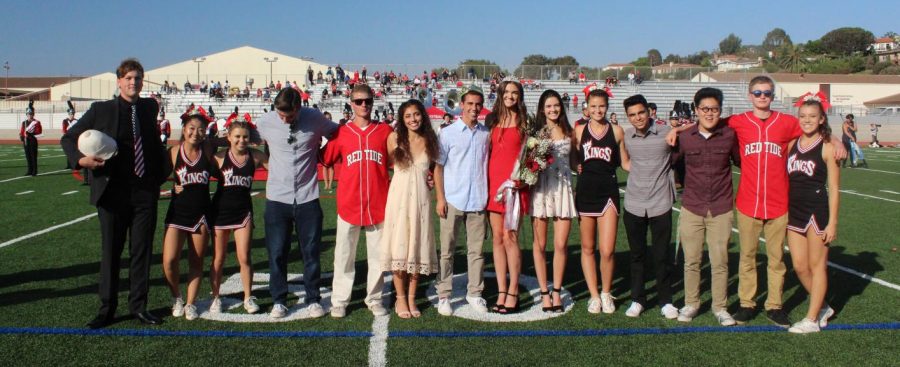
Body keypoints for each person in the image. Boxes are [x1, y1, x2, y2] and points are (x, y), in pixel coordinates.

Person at [666, 76, 845, 327]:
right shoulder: (738, 121)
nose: (762, 97)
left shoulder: (787, 122)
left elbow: (815, 125)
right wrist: (677, 128)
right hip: (748, 201)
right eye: (758, 93)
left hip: (779, 202)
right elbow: (707, 122)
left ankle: (774, 305)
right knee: (747, 257)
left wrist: (836, 141)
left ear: (773, 96)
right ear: (750, 95)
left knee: (776, 260)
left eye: (767, 93)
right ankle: (747, 303)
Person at [60, 58, 169, 328]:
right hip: (113, 192)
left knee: (141, 252)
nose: (134, 83)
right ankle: (107, 309)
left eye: (138, 78)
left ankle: (139, 306)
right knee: (111, 252)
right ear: (119, 81)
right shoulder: (101, 110)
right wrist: (80, 160)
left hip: (144, 190)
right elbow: (69, 138)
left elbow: (153, 144)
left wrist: (159, 178)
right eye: (129, 78)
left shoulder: (148, 107)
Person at [256, 87, 337, 319]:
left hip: (307, 196)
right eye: (280, 115)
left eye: (289, 116)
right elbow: (240, 138)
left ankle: (313, 298)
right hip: (276, 198)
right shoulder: (265, 121)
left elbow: (337, 134)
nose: (284, 119)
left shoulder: (314, 118)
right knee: (277, 252)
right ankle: (279, 300)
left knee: (310, 252)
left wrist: (325, 155)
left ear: (298, 108)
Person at [671, 88, 740, 326]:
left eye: (715, 109)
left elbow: (742, 162)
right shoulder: (685, 136)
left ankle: (720, 306)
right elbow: (672, 162)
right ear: (696, 110)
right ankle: (692, 303)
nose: (710, 114)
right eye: (705, 109)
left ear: (720, 110)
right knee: (692, 259)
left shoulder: (730, 135)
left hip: (721, 207)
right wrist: (675, 130)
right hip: (692, 206)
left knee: (720, 260)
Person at [322, 84, 391, 318]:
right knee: (343, 255)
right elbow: (326, 158)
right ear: (351, 103)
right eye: (359, 101)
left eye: (367, 101)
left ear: (373, 102)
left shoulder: (385, 132)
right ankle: (340, 299)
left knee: (378, 256)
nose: (364, 105)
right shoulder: (341, 133)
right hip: (348, 203)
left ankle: (374, 298)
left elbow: (398, 160)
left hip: (379, 203)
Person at [379, 100, 440, 318]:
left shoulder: (430, 141)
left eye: (416, 115)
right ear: (402, 119)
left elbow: (434, 171)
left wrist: (436, 190)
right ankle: (400, 298)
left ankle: (412, 298)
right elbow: (386, 167)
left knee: (417, 247)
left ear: (422, 116)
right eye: (408, 116)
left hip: (421, 202)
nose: (413, 119)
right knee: (399, 248)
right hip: (398, 200)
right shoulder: (394, 138)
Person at [619, 94, 677, 319]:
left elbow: (696, 125)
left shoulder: (665, 133)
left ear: (649, 111)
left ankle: (665, 301)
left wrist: (678, 130)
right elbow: (625, 162)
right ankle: (638, 299)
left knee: (662, 255)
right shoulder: (627, 136)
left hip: (660, 203)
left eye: (641, 112)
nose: (637, 118)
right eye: (632, 115)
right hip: (633, 203)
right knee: (637, 255)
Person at [434, 86, 490, 316]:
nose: (474, 108)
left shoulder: (486, 134)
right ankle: (444, 294)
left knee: (476, 251)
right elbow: (438, 167)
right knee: (447, 251)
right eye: (470, 104)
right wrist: (440, 198)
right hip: (453, 199)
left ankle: (475, 293)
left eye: (478, 104)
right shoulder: (447, 133)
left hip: (478, 200)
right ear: (462, 105)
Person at [785, 100, 840, 333]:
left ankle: (811, 319)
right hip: (794, 210)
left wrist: (833, 223)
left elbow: (835, 188)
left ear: (821, 119)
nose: (807, 120)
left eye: (812, 116)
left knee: (817, 266)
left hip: (817, 212)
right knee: (799, 266)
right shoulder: (792, 145)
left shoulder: (828, 146)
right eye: (803, 115)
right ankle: (824, 306)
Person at [574, 89, 627, 314]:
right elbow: (570, 160)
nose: (597, 110)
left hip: (608, 194)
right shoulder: (578, 131)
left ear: (607, 107)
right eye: (593, 106)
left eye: (602, 106)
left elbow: (625, 163)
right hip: (585, 193)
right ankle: (593, 295)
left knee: (607, 250)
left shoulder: (616, 131)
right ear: (586, 107)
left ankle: (606, 292)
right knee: (587, 248)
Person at [208, 120, 268, 315]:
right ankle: (216, 297)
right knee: (218, 258)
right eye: (237, 136)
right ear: (229, 138)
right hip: (220, 213)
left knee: (244, 257)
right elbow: (200, 161)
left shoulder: (255, 156)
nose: (241, 140)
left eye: (245, 136)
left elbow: (278, 168)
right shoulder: (218, 157)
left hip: (243, 212)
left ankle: (248, 297)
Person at [162, 114, 213, 321]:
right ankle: (177, 297)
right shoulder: (173, 152)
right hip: (177, 212)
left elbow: (230, 140)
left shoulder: (208, 150)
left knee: (196, 261)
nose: (195, 133)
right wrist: (172, 186)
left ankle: (191, 303)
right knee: (169, 260)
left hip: (201, 213)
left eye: (201, 129)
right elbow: (160, 175)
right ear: (183, 129)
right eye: (191, 128)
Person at [530, 90, 576, 313]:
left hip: (564, 191)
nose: (553, 109)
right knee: (540, 245)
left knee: (560, 245)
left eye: (556, 105)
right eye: (549, 106)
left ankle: (556, 291)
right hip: (540, 191)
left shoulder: (570, 130)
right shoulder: (536, 133)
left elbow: (576, 163)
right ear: (542, 109)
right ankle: (543, 293)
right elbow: (527, 164)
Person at [485, 80, 529, 314]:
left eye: (515, 93)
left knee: (511, 238)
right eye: (507, 92)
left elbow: (533, 156)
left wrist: (523, 178)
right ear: (500, 94)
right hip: (494, 188)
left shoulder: (525, 123)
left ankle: (513, 292)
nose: (510, 96)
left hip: (514, 189)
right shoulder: (491, 120)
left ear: (520, 97)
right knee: (497, 239)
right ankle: (501, 290)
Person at [20, 101, 42, 176]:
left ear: (33, 114)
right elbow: (22, 131)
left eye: (31, 114)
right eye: (28, 114)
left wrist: (30, 134)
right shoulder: (24, 123)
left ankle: (34, 171)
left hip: (32, 141)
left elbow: (39, 132)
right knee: (28, 156)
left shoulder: (36, 122)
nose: (30, 115)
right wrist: (22, 136)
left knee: (33, 156)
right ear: (26, 114)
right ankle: (29, 170)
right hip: (26, 142)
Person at [322, 111, 336, 193]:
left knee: (331, 166)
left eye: (329, 118)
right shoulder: (321, 126)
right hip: (323, 147)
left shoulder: (334, 126)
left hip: (331, 147)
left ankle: (330, 184)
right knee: (324, 166)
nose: (328, 119)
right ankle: (326, 184)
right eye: (326, 118)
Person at [62, 101, 77, 169]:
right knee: (68, 151)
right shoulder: (65, 121)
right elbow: (64, 129)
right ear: (68, 114)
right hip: (68, 137)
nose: (72, 115)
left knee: (73, 151)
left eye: (73, 114)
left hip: (74, 138)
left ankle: (73, 164)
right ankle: (68, 164)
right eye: (71, 114)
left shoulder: (76, 121)